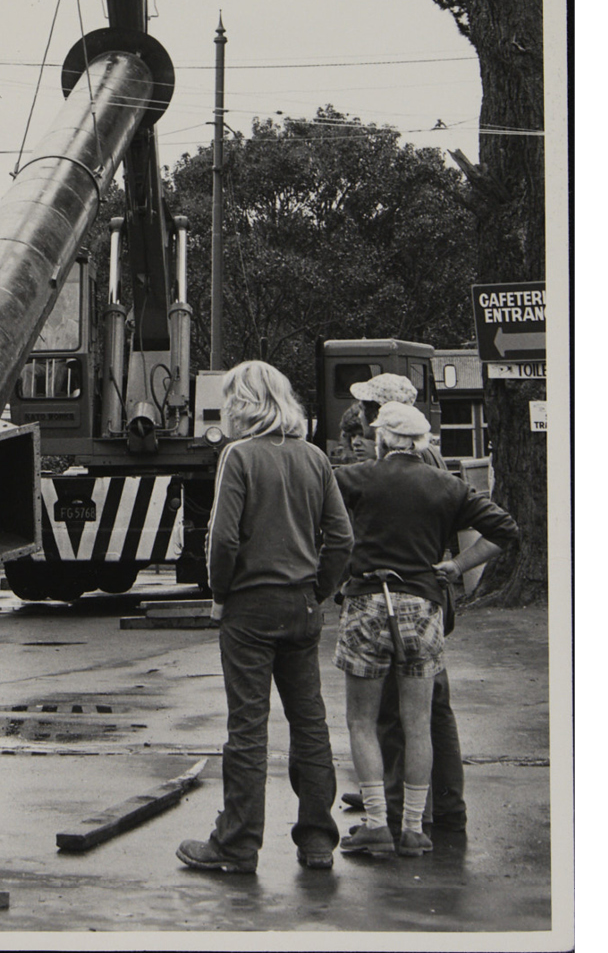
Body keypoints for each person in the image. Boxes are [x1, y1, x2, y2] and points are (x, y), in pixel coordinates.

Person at [178, 361, 352, 875]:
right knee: (310, 722)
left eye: (232, 399)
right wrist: (318, 590)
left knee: (249, 728)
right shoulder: (315, 458)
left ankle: (237, 844)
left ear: (244, 404)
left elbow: (223, 538)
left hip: (250, 609)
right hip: (301, 605)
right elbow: (341, 538)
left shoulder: (239, 456)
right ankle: (318, 840)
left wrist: (220, 593)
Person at [331, 401, 520, 857]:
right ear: (421, 443)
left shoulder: (357, 477)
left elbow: (321, 509)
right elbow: (505, 529)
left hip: (368, 602)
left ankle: (377, 821)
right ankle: (414, 828)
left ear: (382, 440)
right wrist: (455, 565)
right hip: (424, 607)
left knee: (363, 720)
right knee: (419, 723)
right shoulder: (447, 487)